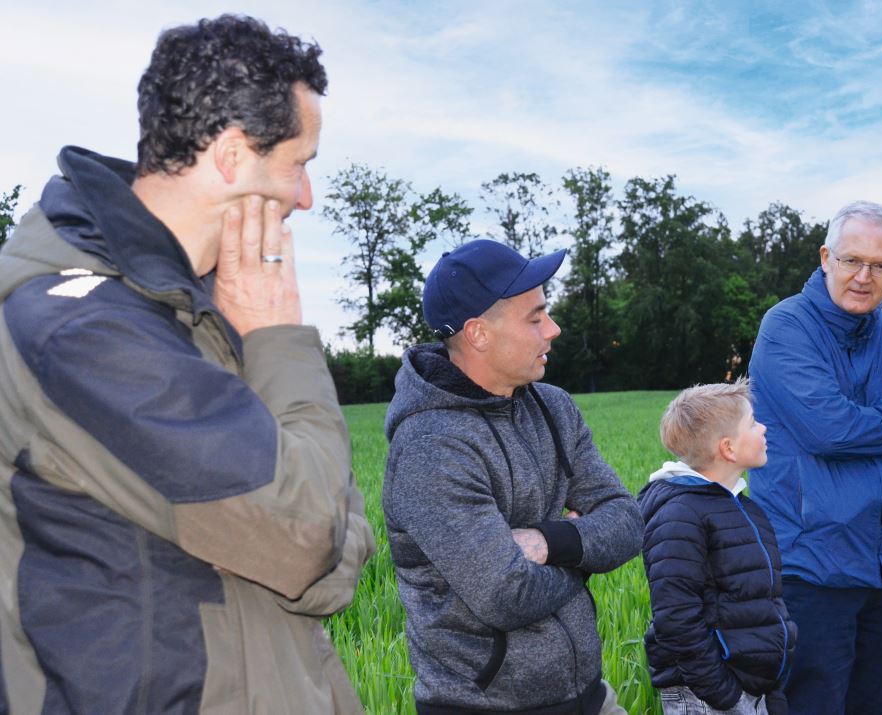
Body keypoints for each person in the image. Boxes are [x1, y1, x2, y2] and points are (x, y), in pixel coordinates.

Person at [0, 15, 374, 714]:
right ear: (233, 156)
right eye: (299, 165)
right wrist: (280, 335)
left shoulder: (196, 308)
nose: (306, 198)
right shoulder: (83, 329)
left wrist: (309, 530)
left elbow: (319, 538)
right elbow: (307, 534)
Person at [382, 239, 643, 714]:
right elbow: (505, 593)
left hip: (589, 695)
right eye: (536, 317)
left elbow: (627, 521)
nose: (554, 329)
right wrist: (585, 554)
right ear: (479, 333)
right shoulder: (431, 448)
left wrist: (548, 543)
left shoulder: (554, 406)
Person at [746, 200, 882, 714]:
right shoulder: (786, 327)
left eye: (880, 266)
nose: (864, 277)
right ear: (826, 257)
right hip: (813, 567)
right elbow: (830, 430)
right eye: (851, 260)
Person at [639, 381, 796, 715]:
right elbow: (677, 620)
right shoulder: (679, 515)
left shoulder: (741, 506)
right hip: (709, 697)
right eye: (753, 423)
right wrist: (725, 696)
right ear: (728, 448)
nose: (763, 428)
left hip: (752, 688)